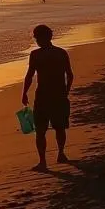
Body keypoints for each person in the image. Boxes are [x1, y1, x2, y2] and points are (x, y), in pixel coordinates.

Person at [21, 24, 74, 171]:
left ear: (41, 38)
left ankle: (43, 161)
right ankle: (61, 153)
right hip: (59, 95)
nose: (36, 40)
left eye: (36, 38)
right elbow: (70, 75)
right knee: (60, 127)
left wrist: (24, 93)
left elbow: (30, 76)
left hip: (43, 96)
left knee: (40, 130)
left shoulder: (36, 55)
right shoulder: (61, 53)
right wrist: (66, 91)